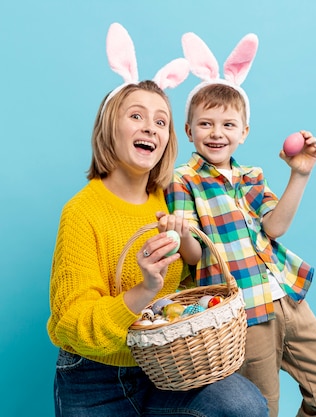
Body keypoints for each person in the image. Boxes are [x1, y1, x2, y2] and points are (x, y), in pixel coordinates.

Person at [47, 23, 268, 417]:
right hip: (93, 378)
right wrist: (144, 289)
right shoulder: (82, 211)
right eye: (136, 116)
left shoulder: (170, 203)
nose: (151, 126)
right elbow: (70, 322)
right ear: (109, 126)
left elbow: (186, 293)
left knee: (244, 405)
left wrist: (189, 256)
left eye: (161, 121)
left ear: (167, 139)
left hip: (164, 370)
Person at [166, 32, 316, 417]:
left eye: (228, 124)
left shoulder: (251, 175)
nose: (217, 133)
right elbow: (196, 255)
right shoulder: (183, 180)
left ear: (244, 132)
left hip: (285, 293)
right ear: (189, 131)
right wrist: (182, 234)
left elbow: (275, 227)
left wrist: (299, 175)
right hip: (243, 310)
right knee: (261, 409)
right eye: (206, 124)